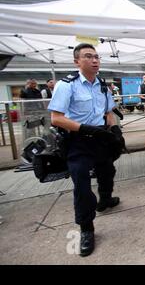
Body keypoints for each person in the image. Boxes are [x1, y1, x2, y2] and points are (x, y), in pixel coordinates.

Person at [48, 43, 123, 257]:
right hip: (78, 140)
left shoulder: (102, 84)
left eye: (97, 56)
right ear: (77, 61)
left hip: (101, 137)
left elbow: (108, 112)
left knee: (107, 170)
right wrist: (85, 128)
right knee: (81, 182)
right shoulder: (66, 85)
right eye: (88, 56)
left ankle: (106, 199)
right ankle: (86, 228)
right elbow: (56, 118)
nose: (94, 60)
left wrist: (115, 129)